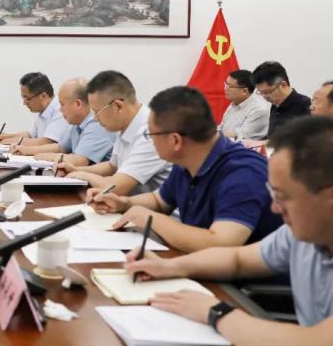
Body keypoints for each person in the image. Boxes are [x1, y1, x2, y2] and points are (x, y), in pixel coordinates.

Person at [124, 116, 333, 345]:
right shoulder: (300, 235)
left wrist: (217, 312)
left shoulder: (243, 171)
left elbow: (314, 341)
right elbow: (237, 259)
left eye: (282, 196)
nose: (274, 207)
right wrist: (170, 267)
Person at [88, 86, 282, 253]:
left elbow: (220, 243)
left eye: (151, 134)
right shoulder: (187, 161)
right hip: (200, 265)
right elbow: (159, 201)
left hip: (243, 282)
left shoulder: (243, 172)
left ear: (175, 141)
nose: (150, 140)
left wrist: (149, 218)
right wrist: (124, 203)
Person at [54, 71, 171, 196]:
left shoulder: (151, 133)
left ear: (117, 106)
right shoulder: (127, 125)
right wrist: (76, 169)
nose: (95, 119)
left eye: (97, 112)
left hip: (152, 207)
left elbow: (115, 187)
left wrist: (80, 174)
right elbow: (112, 166)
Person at [32, 78, 117, 165]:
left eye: (62, 104)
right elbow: (60, 148)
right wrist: (27, 150)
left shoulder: (97, 123)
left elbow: (79, 160)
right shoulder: (77, 123)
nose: (60, 110)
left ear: (78, 104)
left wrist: (46, 156)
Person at [0, 72, 71, 155]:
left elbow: (45, 142)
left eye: (27, 98)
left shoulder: (60, 110)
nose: (24, 103)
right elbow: (30, 135)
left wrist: (7, 141)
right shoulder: (44, 110)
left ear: (43, 96)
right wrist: (6, 136)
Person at [252, 61, 311, 137]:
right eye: (261, 93)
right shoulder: (275, 105)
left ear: (283, 85)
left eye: (267, 92)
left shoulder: (304, 104)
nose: (264, 97)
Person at [219, 70, 270, 141]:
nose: (225, 88)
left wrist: (216, 136)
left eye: (230, 86)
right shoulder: (235, 102)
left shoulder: (259, 110)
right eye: (226, 84)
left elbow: (240, 137)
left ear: (244, 91)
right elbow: (222, 128)